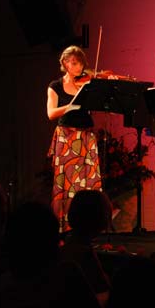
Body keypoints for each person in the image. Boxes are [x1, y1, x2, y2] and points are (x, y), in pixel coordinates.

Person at [47, 45, 103, 232]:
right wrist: (70, 106)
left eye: (80, 64)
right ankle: (67, 226)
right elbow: (51, 113)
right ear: (65, 63)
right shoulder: (55, 86)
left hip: (86, 135)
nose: (78, 68)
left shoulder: (86, 83)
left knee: (88, 183)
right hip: (67, 137)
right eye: (74, 63)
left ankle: (89, 225)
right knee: (69, 183)